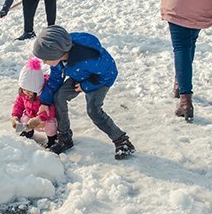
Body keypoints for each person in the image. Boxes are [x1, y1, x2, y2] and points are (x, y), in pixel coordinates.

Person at [32, 26, 135, 160]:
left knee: (93, 110)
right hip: (79, 75)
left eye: (45, 59)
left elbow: (110, 73)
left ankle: (122, 141)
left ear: (57, 53)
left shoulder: (90, 57)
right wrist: (45, 102)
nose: (44, 62)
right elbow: (55, 79)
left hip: (99, 79)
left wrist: (87, 85)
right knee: (59, 97)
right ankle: (65, 137)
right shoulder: (59, 58)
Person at [11, 57, 58, 149]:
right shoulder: (23, 94)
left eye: (31, 91)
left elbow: (51, 110)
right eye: (25, 89)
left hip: (44, 119)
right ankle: (28, 132)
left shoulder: (45, 95)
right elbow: (18, 105)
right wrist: (15, 116)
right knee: (24, 119)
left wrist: (39, 119)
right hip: (30, 117)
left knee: (50, 125)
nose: (27, 92)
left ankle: (52, 139)